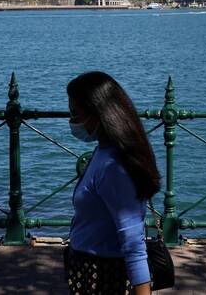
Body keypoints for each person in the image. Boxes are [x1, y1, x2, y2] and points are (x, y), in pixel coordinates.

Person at [65, 71, 161, 295]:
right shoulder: (104, 151)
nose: (71, 122)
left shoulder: (113, 168)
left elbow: (134, 243)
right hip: (88, 269)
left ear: (97, 114)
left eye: (75, 114)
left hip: (103, 276)